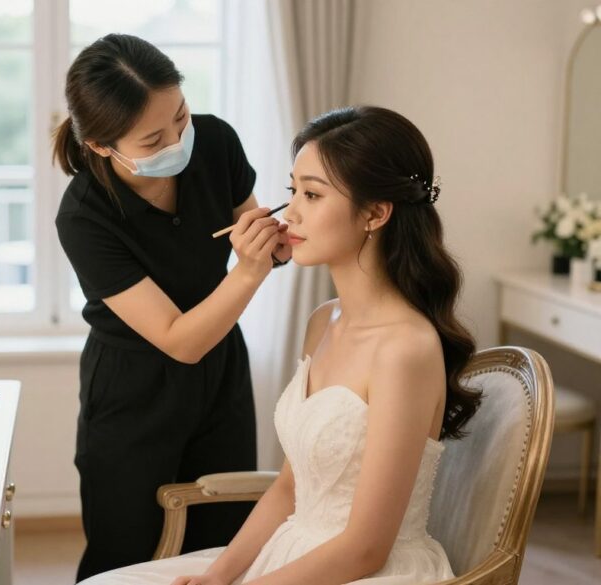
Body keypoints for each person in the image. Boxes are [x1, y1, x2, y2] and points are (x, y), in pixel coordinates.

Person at [80, 105, 483, 585]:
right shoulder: (322, 321)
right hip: (293, 553)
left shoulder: (405, 350)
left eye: (312, 194)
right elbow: (290, 488)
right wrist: (218, 577)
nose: (287, 212)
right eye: (294, 190)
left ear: (375, 213)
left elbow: (366, 549)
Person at [53, 34, 292, 582]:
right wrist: (251, 269)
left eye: (180, 117)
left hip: (220, 373)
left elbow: (257, 233)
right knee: (126, 551)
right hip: (132, 389)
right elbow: (180, 340)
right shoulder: (85, 215)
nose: (180, 139)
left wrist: (275, 245)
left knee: (224, 543)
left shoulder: (216, 142)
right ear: (101, 147)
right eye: (154, 138)